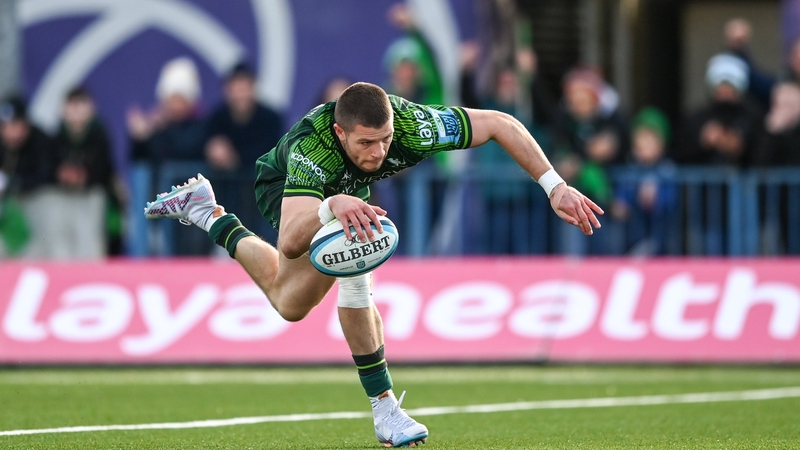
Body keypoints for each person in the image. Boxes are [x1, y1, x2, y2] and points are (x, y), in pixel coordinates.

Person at [144, 82, 603, 447]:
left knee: (291, 302)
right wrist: (331, 205)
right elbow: (287, 241)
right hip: (289, 192)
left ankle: (209, 212)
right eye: (366, 142)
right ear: (342, 134)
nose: (380, 152)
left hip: (347, 194)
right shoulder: (314, 150)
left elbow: (500, 123)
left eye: (385, 140)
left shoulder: (413, 126)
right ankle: (385, 409)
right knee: (324, 284)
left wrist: (554, 186)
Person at [204, 62, 283, 243]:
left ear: (253, 88)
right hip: (225, 197)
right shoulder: (217, 118)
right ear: (227, 90)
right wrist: (212, 149)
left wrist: (234, 159)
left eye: (244, 88)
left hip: (263, 202)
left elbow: (272, 152)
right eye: (235, 88)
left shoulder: (270, 118)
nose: (240, 94)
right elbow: (202, 145)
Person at [53, 87, 124, 258]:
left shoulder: (100, 135)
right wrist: (64, 176)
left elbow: (104, 171)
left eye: (81, 105)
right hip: (66, 203)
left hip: (97, 202)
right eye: (72, 105)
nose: (76, 112)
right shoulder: (56, 138)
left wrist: (83, 178)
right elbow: (50, 170)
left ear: (91, 108)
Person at [676, 53, 764, 167]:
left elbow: (764, 155)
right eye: (721, 87)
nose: (725, 92)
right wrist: (703, 141)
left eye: (730, 87)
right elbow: (680, 154)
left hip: (744, 183)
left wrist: (741, 147)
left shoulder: (752, 117)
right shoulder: (697, 118)